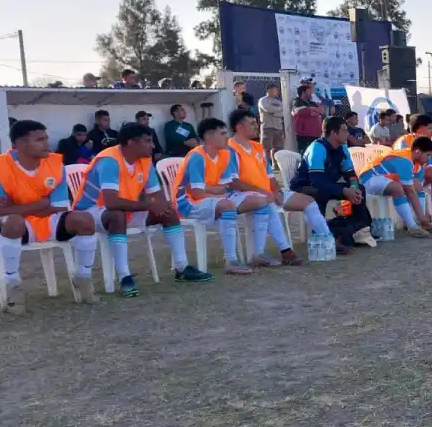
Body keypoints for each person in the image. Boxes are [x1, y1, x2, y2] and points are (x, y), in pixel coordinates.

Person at [74, 122, 214, 296]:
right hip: (90, 212)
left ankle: (182, 267)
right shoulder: (109, 160)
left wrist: (163, 205)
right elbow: (111, 203)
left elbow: (157, 195)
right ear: (132, 143)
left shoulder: (145, 161)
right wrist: (150, 205)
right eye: (147, 141)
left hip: (125, 209)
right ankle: (125, 277)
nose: (153, 145)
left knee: (168, 213)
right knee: (117, 215)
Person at [0, 120, 100, 312]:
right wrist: (39, 204)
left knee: (85, 220)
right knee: (13, 222)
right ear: (20, 144)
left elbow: (60, 207)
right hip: (16, 227)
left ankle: (83, 277)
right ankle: (13, 285)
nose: (47, 143)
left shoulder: (55, 164)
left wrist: (16, 207)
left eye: (46, 138)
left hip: (49, 222)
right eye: (40, 140)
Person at [227, 109, 337, 265]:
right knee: (268, 202)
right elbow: (233, 182)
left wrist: (277, 191)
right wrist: (264, 192)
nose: (256, 126)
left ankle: (327, 240)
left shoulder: (257, 147)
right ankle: (285, 250)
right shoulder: (229, 149)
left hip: (266, 193)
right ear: (239, 127)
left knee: (309, 201)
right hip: (242, 196)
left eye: (256, 122)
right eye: (251, 123)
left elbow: (270, 175)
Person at [172, 118, 273, 275]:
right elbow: (195, 193)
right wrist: (216, 191)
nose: (228, 137)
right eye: (223, 133)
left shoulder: (225, 154)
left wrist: (214, 190)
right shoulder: (197, 156)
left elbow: (226, 187)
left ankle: (257, 254)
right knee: (227, 205)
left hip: (212, 198)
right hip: (187, 203)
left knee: (261, 201)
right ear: (209, 137)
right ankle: (231, 260)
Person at [289, 116, 374, 250]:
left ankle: (359, 230)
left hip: (326, 185)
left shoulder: (342, 148)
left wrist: (354, 189)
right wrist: (344, 191)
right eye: (345, 130)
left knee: (360, 189)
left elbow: (350, 175)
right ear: (334, 133)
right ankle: (322, 236)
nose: (348, 134)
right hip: (305, 187)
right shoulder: (317, 148)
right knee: (320, 193)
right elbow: (317, 181)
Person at [359, 134, 432, 238]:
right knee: (397, 188)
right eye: (428, 155)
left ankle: (421, 222)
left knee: (417, 185)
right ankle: (413, 226)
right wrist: (422, 216)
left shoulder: (417, 163)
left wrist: (424, 214)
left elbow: (417, 188)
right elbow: (410, 192)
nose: (429, 158)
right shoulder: (404, 161)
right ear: (417, 152)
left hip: (385, 179)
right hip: (368, 179)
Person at [393, 114, 432, 225]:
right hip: (399, 179)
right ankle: (420, 219)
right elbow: (402, 167)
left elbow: (431, 164)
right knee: (418, 182)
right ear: (418, 128)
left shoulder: (426, 143)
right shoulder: (404, 141)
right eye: (429, 128)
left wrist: (431, 173)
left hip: (415, 177)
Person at [292, 84, 324, 151]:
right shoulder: (297, 101)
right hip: (304, 135)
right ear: (303, 92)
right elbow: (302, 112)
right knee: (304, 153)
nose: (311, 93)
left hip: (316, 134)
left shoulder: (312, 103)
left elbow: (321, 110)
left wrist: (310, 107)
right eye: (309, 91)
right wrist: (315, 111)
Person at [258, 82, 286, 155]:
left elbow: (284, 112)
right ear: (268, 90)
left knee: (279, 149)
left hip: (278, 128)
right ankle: (265, 164)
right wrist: (278, 110)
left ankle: (276, 166)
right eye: (273, 90)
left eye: (276, 90)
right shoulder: (263, 100)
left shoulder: (279, 102)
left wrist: (274, 113)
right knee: (266, 148)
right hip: (267, 127)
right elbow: (268, 109)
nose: (275, 92)